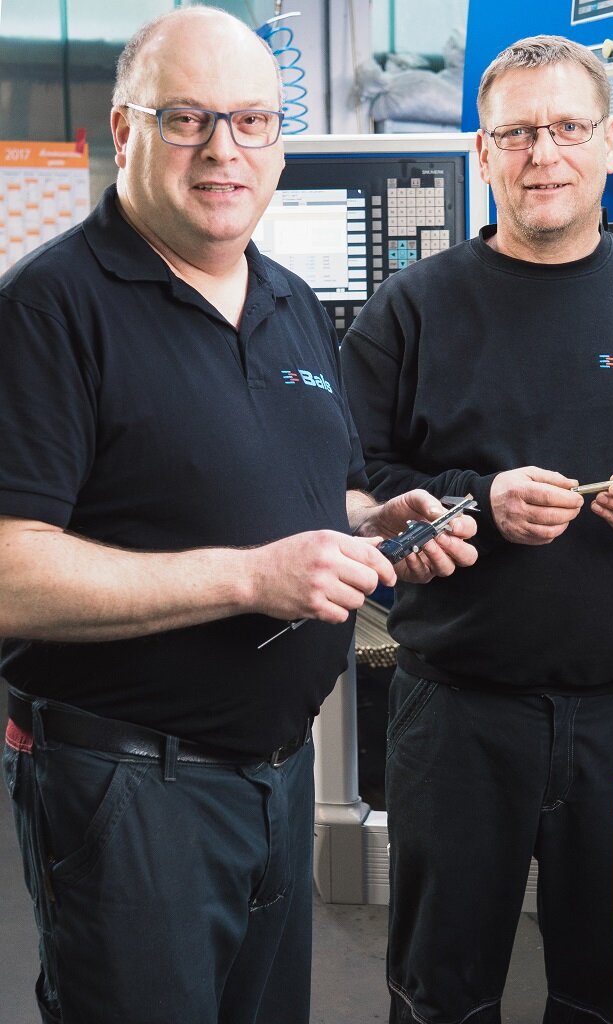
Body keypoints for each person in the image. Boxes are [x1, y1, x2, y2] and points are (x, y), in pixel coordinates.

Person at [0, 8, 478, 1024]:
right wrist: (251, 577)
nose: (224, 150)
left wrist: (372, 520)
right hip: (129, 790)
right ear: (126, 132)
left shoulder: (289, 301)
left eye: (252, 120)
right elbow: (9, 571)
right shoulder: (48, 309)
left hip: (276, 777)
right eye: (187, 119)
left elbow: (314, 491)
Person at [341, 34, 613, 1024]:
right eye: (517, 133)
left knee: (608, 990)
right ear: (483, 151)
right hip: (456, 717)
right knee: (439, 993)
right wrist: (478, 502)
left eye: (569, 128)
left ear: (610, 143)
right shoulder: (412, 309)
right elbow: (350, 481)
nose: (544, 153)